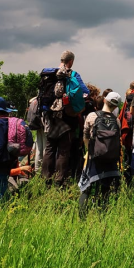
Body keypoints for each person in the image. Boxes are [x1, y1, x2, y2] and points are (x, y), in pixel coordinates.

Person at [42, 50, 89, 187]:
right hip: (67, 117)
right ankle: (59, 180)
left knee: (50, 148)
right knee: (63, 149)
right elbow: (85, 92)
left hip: (50, 117)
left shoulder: (49, 74)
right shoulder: (73, 74)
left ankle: (46, 179)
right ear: (71, 61)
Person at [79, 92, 123, 218]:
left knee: (86, 189)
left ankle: (82, 217)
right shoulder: (117, 121)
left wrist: (89, 150)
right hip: (110, 160)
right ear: (116, 106)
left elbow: (85, 136)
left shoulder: (92, 116)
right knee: (105, 189)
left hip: (94, 158)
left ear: (104, 100)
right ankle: (102, 217)